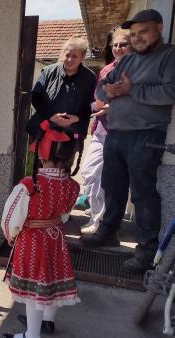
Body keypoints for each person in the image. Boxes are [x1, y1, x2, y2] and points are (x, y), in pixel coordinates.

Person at [80, 9, 175, 273]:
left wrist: (130, 90)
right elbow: (101, 90)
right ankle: (108, 231)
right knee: (112, 186)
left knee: (143, 194)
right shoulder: (127, 60)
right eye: (133, 34)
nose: (137, 38)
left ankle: (146, 253)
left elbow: (170, 92)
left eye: (143, 31)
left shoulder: (169, 55)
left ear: (159, 27)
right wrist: (109, 91)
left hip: (146, 134)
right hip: (116, 132)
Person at [1, 121, 82, 338]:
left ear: (41, 154)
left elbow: (11, 219)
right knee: (53, 281)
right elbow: (64, 215)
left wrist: (11, 237)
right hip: (57, 239)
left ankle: (32, 334)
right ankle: (48, 321)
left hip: (32, 242)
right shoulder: (73, 185)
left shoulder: (29, 185)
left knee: (34, 290)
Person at [80, 28, 133, 235]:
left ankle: (102, 221)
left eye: (123, 44)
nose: (118, 48)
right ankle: (98, 214)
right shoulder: (106, 69)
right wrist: (92, 107)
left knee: (113, 178)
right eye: (115, 45)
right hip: (102, 128)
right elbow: (98, 98)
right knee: (90, 172)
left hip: (124, 131)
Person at [27, 36, 96, 142]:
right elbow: (36, 97)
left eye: (74, 56)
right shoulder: (47, 71)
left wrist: (76, 118)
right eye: (67, 55)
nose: (69, 59)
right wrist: (51, 116)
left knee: (64, 158)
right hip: (44, 129)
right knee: (41, 157)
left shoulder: (90, 77)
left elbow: (91, 104)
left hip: (73, 131)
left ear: (82, 57)